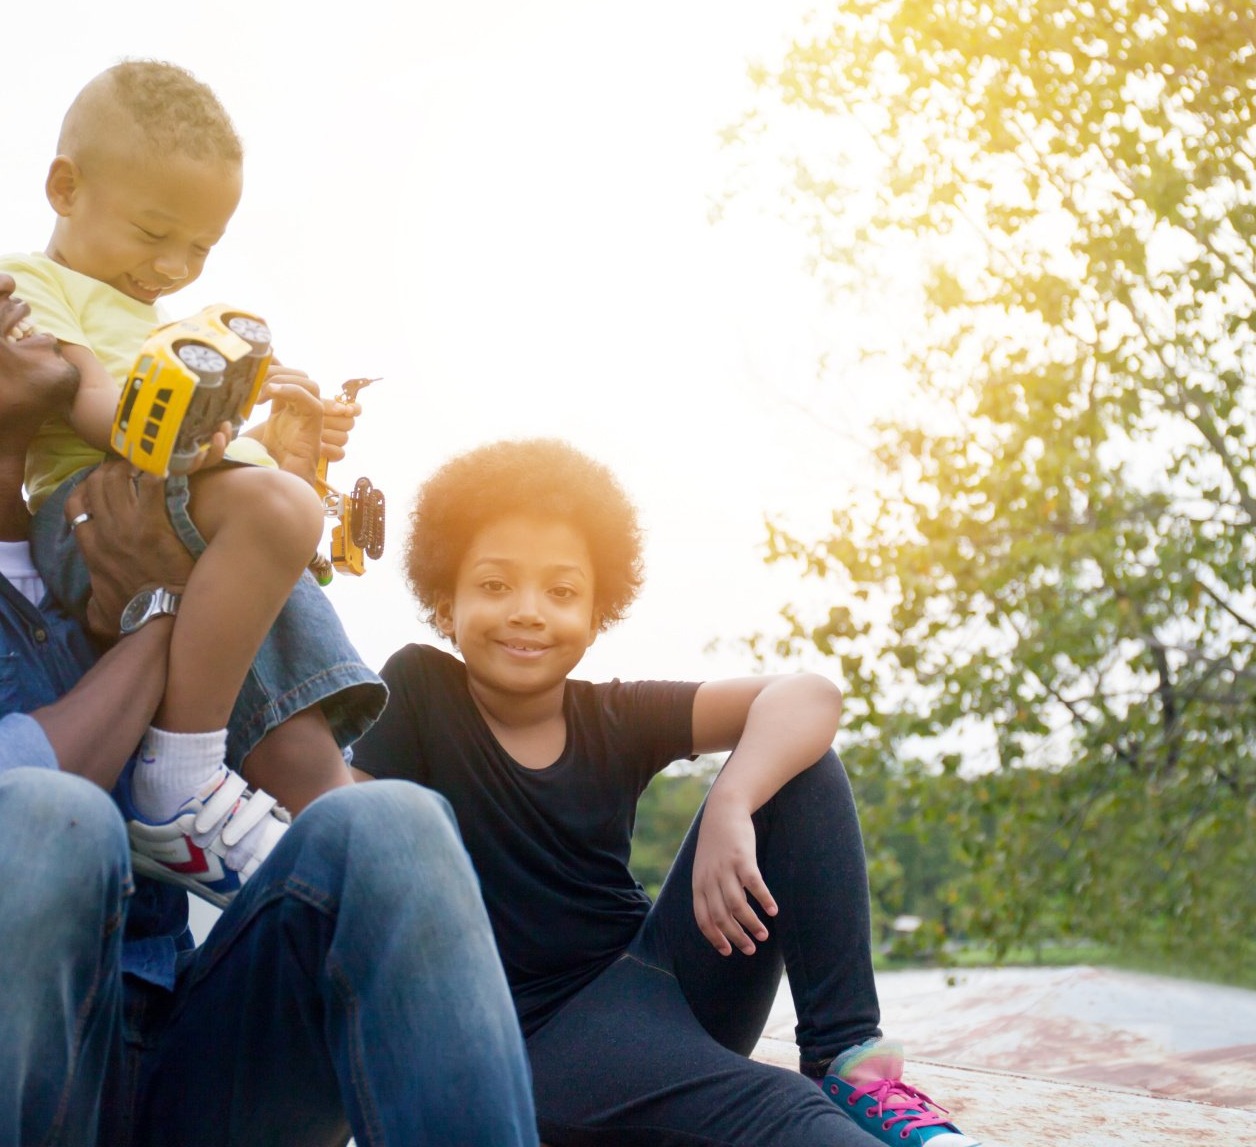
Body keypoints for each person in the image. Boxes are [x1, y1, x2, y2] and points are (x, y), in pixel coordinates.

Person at [0, 223, 536, 1146]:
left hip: (177, 1068)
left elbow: (289, 778)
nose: (0, 281)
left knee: (391, 825)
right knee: (46, 818)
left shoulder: (143, 524)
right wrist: (164, 613)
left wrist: (252, 491)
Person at [350, 438, 980, 1147]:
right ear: (445, 604)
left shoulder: (613, 714)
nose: (528, 612)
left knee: (798, 763)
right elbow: (341, 830)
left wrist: (733, 802)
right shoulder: (419, 690)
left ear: (596, 615)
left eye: (561, 592)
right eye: (495, 586)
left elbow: (808, 695)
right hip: (542, 1039)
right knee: (782, 1115)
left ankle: (846, 1059)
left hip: (667, 980)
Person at [0, 58, 384, 904]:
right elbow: (97, 407)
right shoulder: (34, 283)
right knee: (274, 510)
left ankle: (322, 911)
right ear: (65, 188)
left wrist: (284, 448)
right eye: (152, 232)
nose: (173, 266)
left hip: (189, 516)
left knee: (323, 778)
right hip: (94, 515)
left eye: (200, 248)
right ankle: (179, 776)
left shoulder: (163, 324)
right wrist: (210, 450)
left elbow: (215, 474)